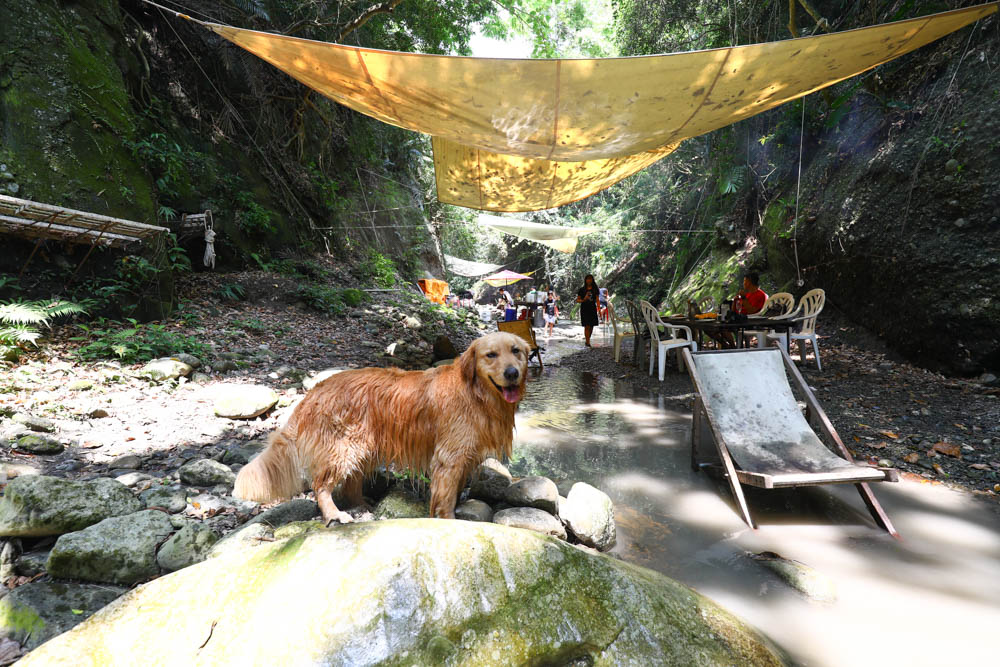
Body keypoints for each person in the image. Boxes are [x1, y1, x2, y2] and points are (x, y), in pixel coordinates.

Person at [576, 274, 600, 347]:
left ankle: (587, 340)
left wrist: (599, 309)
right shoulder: (582, 289)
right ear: (585, 280)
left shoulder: (595, 289)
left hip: (592, 308)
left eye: (590, 279)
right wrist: (584, 299)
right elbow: (578, 300)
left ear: (592, 280)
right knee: (587, 325)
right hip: (584, 309)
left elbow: (597, 300)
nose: (589, 280)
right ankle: (587, 342)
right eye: (587, 279)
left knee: (591, 325)